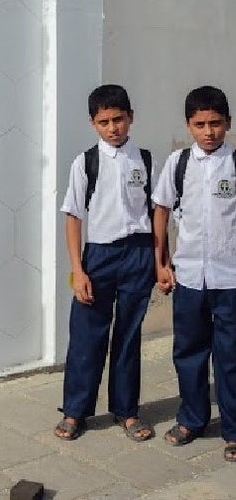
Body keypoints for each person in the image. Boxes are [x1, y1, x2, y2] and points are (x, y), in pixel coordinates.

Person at [54, 84, 155, 442]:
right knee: (86, 336)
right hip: (99, 256)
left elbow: (157, 212)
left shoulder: (145, 159)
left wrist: (160, 260)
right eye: (104, 121)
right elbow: (72, 217)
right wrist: (78, 271)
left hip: (139, 254)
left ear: (131, 117)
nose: (113, 128)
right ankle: (75, 411)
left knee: (128, 335)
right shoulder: (86, 162)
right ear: (93, 123)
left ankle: (126, 411)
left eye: (118, 119)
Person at [153, 85, 236, 462]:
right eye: (200, 124)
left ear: (228, 124)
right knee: (188, 351)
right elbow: (161, 211)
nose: (208, 132)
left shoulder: (234, 165)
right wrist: (162, 263)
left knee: (230, 356)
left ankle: (233, 429)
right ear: (188, 125)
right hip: (188, 278)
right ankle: (192, 419)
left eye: (215, 124)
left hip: (230, 280)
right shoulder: (178, 163)